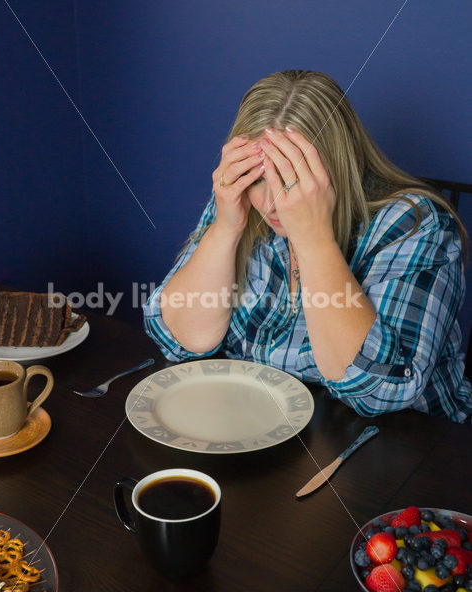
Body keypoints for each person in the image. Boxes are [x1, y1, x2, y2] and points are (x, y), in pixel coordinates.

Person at [142, 69, 472, 424]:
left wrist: (314, 241)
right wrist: (226, 227)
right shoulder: (241, 204)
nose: (270, 205)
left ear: (336, 169)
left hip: (407, 448)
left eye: (291, 181)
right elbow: (178, 340)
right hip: (266, 427)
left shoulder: (417, 225)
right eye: (257, 179)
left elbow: (382, 393)